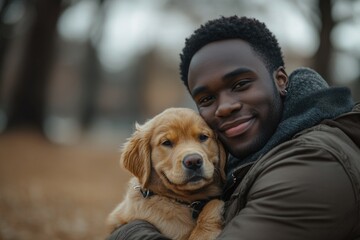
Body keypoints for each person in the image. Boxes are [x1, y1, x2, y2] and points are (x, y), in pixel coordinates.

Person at [107, 16, 360, 240]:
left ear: (280, 80)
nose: (225, 107)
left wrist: (129, 231)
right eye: (206, 99)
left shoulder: (311, 166)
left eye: (240, 84)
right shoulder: (244, 155)